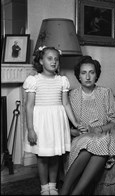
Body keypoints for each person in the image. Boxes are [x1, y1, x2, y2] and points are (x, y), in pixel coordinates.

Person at [23, 46, 79, 195]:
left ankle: (53, 186)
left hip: (57, 122)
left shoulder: (62, 80)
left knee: (55, 156)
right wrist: (30, 129)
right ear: (41, 61)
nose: (53, 62)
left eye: (56, 59)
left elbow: (66, 104)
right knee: (42, 157)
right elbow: (29, 106)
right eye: (49, 58)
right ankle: (44, 187)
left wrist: (75, 122)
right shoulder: (34, 80)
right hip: (41, 123)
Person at [60, 55, 115, 195]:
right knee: (90, 144)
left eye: (91, 72)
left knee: (101, 141)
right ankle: (66, 191)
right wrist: (73, 132)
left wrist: (98, 129)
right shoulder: (71, 96)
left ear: (96, 75)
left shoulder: (106, 93)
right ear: (78, 76)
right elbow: (63, 123)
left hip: (100, 134)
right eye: (83, 73)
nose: (88, 77)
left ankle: (73, 193)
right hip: (81, 137)